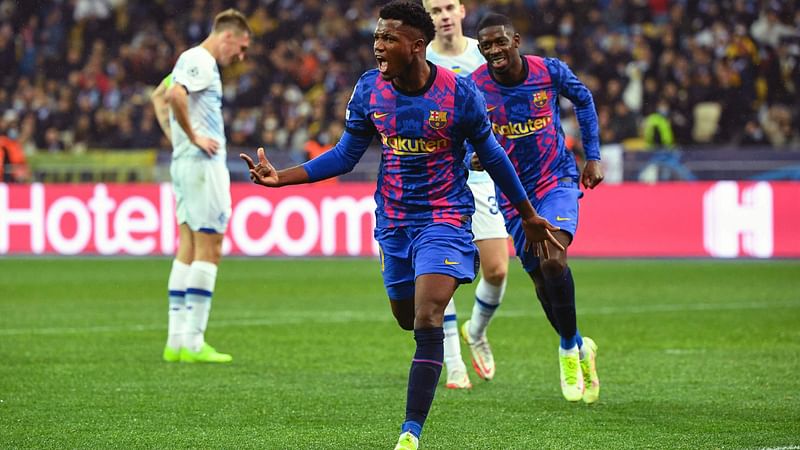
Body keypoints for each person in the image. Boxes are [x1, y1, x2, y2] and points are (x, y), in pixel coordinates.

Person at [240, 2, 561, 448]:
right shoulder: (370, 89)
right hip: (393, 221)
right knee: (407, 318)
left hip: (444, 217)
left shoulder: (459, 94)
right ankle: (434, 335)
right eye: (376, 38)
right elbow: (345, 155)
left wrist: (527, 213)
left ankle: (410, 433)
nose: (378, 47)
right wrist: (283, 178)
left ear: (416, 45)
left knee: (429, 314)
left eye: (388, 39)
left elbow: (492, 155)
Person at [471, 13, 604, 404]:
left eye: (500, 42)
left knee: (554, 261)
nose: (494, 50)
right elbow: (459, 133)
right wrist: (468, 158)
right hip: (514, 194)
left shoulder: (548, 71)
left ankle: (565, 350)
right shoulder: (474, 87)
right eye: (486, 45)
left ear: (515, 41)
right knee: (543, 284)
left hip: (556, 181)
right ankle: (581, 346)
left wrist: (592, 155)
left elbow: (584, 98)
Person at [154, 9, 251, 364]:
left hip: (184, 164)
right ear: (227, 36)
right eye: (240, 48)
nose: (239, 57)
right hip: (202, 166)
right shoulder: (200, 60)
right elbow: (175, 96)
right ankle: (194, 342)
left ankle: (176, 341)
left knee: (189, 246)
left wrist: (177, 138)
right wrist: (194, 137)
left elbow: (157, 96)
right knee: (211, 246)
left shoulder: (190, 60)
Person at [422, 0, 510, 390]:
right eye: (434, 10)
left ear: (461, 10)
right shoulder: (420, 57)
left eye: (447, 7)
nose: (442, 15)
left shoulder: (483, 53)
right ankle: (454, 364)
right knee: (443, 269)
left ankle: (477, 330)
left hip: (482, 173)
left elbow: (505, 103)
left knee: (497, 268)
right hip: (438, 178)